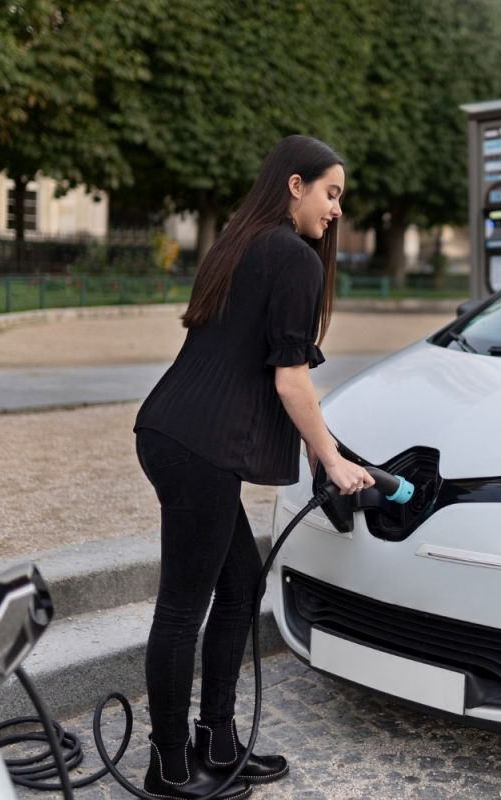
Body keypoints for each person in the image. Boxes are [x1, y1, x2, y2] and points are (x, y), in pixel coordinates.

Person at [133, 135, 374, 799]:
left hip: (174, 431)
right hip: (197, 445)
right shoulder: (292, 257)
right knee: (182, 609)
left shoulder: (239, 243)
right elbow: (289, 379)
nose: (336, 212)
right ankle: (170, 769)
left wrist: (326, 447)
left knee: (239, 587)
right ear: (295, 186)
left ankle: (217, 740)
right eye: (331, 194)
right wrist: (332, 459)